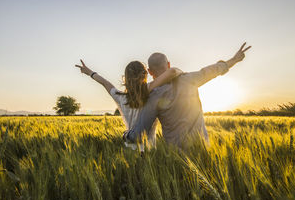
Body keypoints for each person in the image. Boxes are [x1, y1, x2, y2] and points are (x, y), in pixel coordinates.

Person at [123, 42, 251, 148]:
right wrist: (235, 59)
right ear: (168, 64)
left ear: (150, 72)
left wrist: (126, 135)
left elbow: (138, 135)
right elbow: (213, 70)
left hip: (177, 159)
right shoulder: (189, 79)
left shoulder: (153, 97)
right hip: (203, 148)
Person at [75, 59, 182, 151]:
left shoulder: (120, 97)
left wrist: (89, 72)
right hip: (150, 151)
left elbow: (104, 82)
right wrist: (181, 73)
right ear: (145, 75)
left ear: (125, 78)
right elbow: (171, 72)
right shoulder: (150, 91)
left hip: (130, 149)